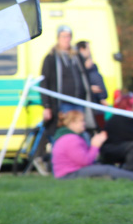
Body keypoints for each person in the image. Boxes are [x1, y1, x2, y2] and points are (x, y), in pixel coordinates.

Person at [37, 25, 93, 170]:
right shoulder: (51, 58)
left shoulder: (77, 57)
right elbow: (44, 82)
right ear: (58, 38)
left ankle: (81, 160)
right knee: (65, 134)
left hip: (79, 103)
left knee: (80, 132)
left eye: (68, 36)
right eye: (63, 36)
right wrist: (47, 106)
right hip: (62, 105)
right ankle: (60, 163)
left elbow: (84, 77)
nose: (66, 39)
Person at [50, 105, 133, 180]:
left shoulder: (69, 137)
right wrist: (95, 146)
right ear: (72, 123)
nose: (84, 123)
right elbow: (85, 162)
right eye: (81, 121)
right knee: (106, 169)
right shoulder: (71, 139)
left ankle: (125, 175)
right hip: (69, 175)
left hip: (70, 172)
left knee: (104, 167)